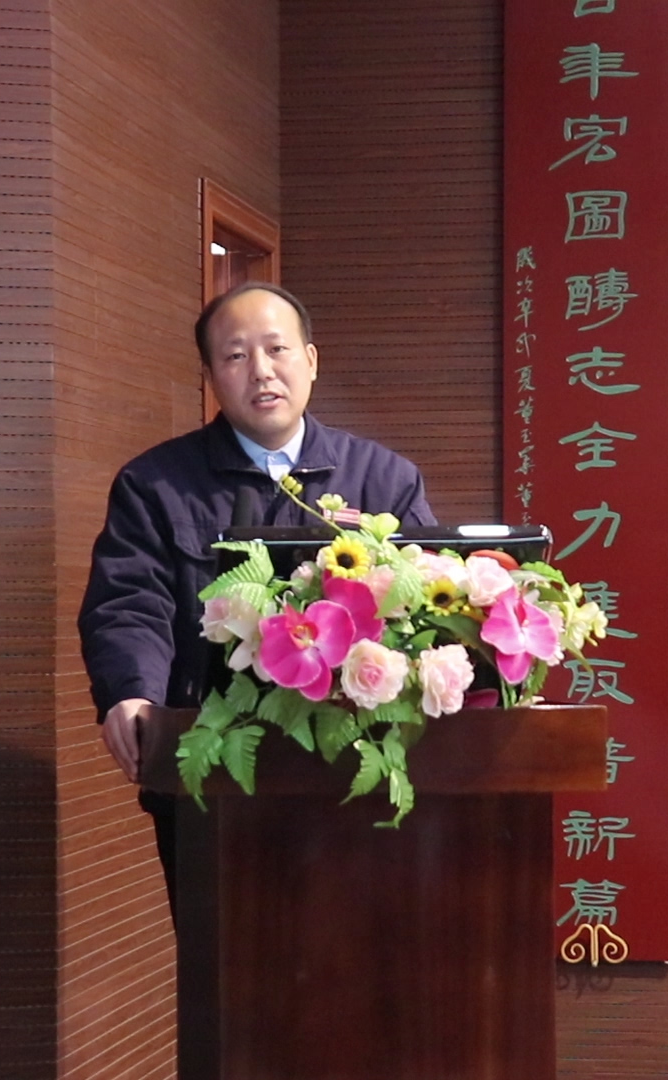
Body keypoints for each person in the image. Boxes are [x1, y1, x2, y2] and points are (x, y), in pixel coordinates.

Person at [77, 282, 436, 903]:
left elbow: (428, 603)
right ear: (211, 375)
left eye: (277, 349)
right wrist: (131, 693)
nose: (262, 371)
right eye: (236, 356)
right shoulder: (156, 485)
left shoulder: (385, 480)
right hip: (212, 771)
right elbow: (131, 602)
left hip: (358, 769)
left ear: (311, 360)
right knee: (223, 950)